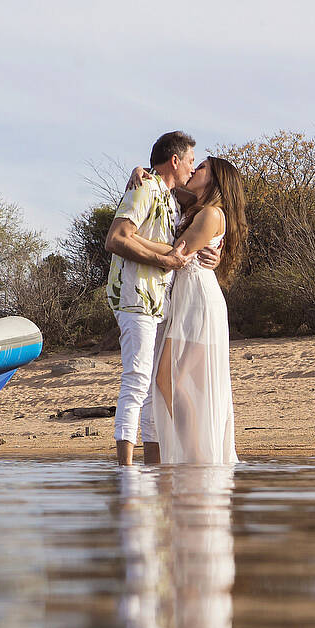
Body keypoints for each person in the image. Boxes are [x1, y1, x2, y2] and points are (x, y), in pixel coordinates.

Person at [103, 131, 218, 466]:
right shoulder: (146, 188)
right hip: (135, 297)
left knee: (153, 388)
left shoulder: (168, 197)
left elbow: (211, 223)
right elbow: (116, 238)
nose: (193, 169)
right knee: (137, 380)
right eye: (191, 162)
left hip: (158, 302)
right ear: (175, 161)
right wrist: (166, 260)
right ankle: (125, 470)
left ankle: (152, 468)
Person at [147, 156, 246, 465]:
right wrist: (145, 172)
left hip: (198, 302)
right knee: (173, 381)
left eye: (201, 167)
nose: (193, 170)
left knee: (172, 380)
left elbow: (177, 253)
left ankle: (197, 456)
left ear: (215, 180)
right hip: (187, 299)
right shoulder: (197, 208)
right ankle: (194, 454)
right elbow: (169, 187)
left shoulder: (212, 214)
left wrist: (129, 241)